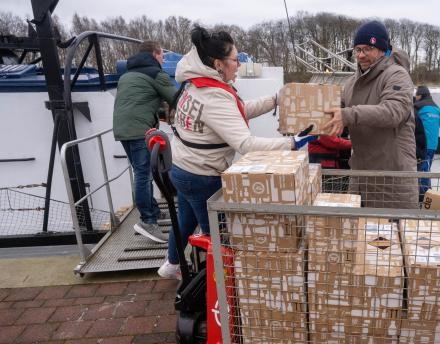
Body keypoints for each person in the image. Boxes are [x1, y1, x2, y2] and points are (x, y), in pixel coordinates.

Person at [158, 26, 316, 279]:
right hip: (202, 175)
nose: (239, 65)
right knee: (220, 236)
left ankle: (171, 265)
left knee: (184, 221)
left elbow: (238, 112)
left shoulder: (199, 84)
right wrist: (292, 144)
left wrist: (274, 99)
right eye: (235, 60)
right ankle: (222, 288)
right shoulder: (213, 96)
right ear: (218, 64)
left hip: (182, 168)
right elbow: (246, 144)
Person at [323, 20, 418, 209]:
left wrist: (348, 115)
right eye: (357, 50)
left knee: (389, 233)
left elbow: (393, 112)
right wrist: (307, 118)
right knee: (358, 231)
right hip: (360, 175)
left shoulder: (397, 75)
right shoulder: (350, 82)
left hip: (392, 176)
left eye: (367, 49)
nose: (360, 55)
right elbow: (335, 108)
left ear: (382, 49)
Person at [113, 40, 177, 243]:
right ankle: (148, 221)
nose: (163, 59)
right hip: (140, 130)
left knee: (140, 172)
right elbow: (176, 98)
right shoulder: (155, 73)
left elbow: (139, 100)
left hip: (123, 129)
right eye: (162, 56)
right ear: (156, 54)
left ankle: (154, 212)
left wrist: (158, 113)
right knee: (144, 174)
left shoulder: (127, 75)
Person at [414, 85, 440, 194]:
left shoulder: (417, 107)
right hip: (433, 144)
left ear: (420, 96)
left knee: (421, 170)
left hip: (421, 144)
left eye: (416, 95)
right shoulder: (437, 108)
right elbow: (438, 125)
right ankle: (426, 193)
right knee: (427, 167)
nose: (415, 98)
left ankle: (424, 195)